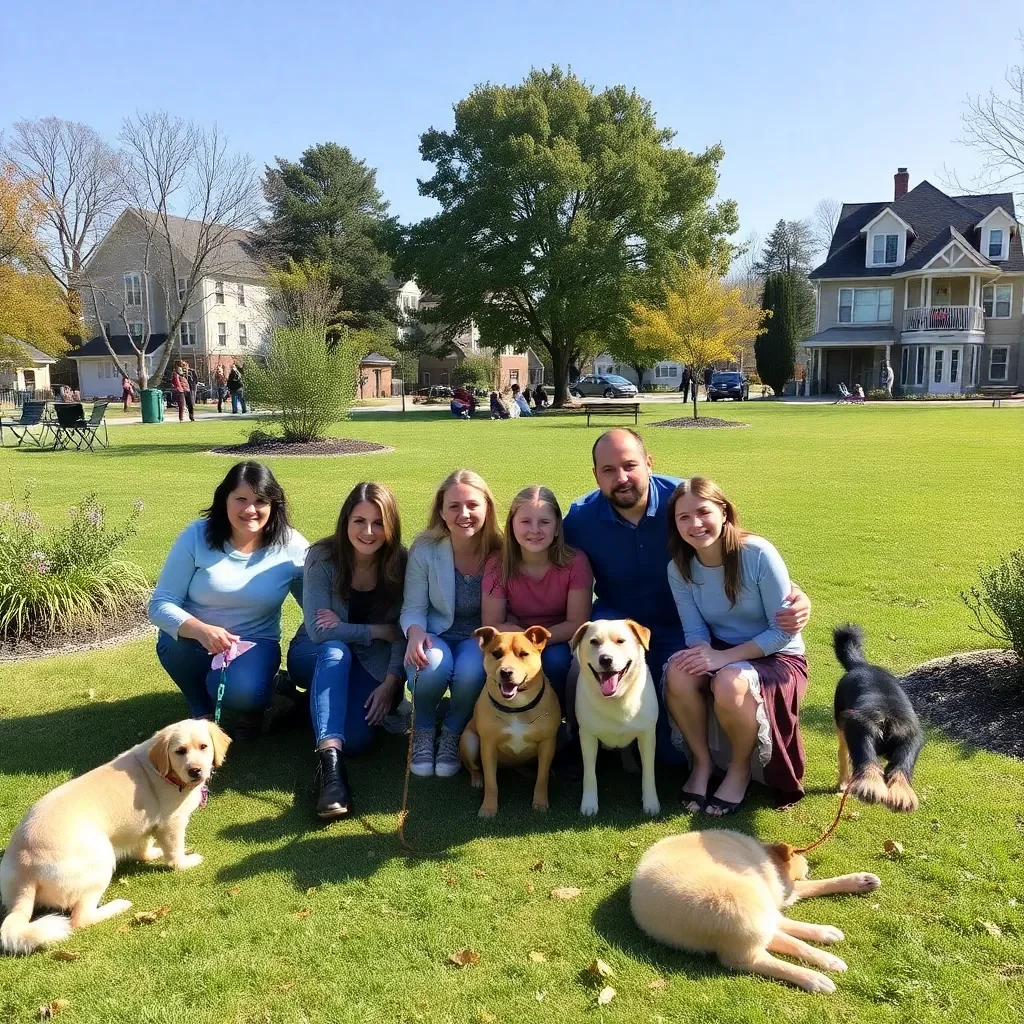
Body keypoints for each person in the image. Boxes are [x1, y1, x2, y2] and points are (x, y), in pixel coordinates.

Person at [562, 428, 810, 761]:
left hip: (681, 626)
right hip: (615, 623)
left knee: (671, 754)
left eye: (630, 465)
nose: (621, 477)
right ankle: (583, 744)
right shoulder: (580, 518)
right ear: (595, 475)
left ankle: (677, 749)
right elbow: (544, 562)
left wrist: (794, 592)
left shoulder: (681, 502)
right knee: (580, 668)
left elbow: (734, 546)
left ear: (649, 463)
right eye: (608, 470)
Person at [663, 477, 808, 815]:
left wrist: (722, 658)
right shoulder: (678, 568)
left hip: (777, 656)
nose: (695, 524)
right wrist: (703, 654)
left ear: (724, 512)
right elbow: (696, 630)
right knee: (678, 674)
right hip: (722, 649)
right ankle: (702, 764)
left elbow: (782, 632)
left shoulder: (757, 553)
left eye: (703, 512)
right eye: (683, 517)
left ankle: (740, 770)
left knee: (729, 682)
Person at [148, 461, 308, 739]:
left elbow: (316, 604)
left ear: (274, 504)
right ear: (225, 500)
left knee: (245, 693)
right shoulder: (196, 537)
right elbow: (160, 605)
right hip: (196, 641)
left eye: (260, 501)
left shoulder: (291, 545)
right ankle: (200, 708)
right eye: (241, 499)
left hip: (255, 642)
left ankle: (259, 696)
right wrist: (200, 629)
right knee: (175, 645)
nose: (250, 510)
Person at [288, 483, 407, 820]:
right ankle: (331, 774)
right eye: (359, 521)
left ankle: (310, 705)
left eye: (378, 522)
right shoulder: (323, 556)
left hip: (367, 662)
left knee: (357, 740)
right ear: (345, 522)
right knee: (335, 650)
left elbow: (401, 631)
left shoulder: (400, 562)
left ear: (391, 526)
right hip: (312, 653)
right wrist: (376, 630)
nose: (368, 532)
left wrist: (392, 682)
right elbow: (318, 630)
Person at [401, 469, 503, 778]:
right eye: (454, 506)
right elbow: (413, 607)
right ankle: (422, 727)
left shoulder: (501, 550)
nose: (464, 514)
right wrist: (415, 632)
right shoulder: (426, 549)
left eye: (473, 505)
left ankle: (454, 731)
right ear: (442, 512)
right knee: (430, 666)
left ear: (487, 507)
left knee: (473, 671)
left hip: (479, 635)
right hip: (436, 631)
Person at [481, 485, 592, 704]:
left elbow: (577, 622)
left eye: (544, 522)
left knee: (557, 662)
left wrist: (534, 644)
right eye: (525, 522)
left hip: (559, 638)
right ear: (512, 525)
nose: (534, 530)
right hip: (514, 639)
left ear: (557, 527)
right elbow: (493, 622)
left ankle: (564, 720)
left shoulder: (575, 562)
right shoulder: (498, 564)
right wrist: (524, 644)